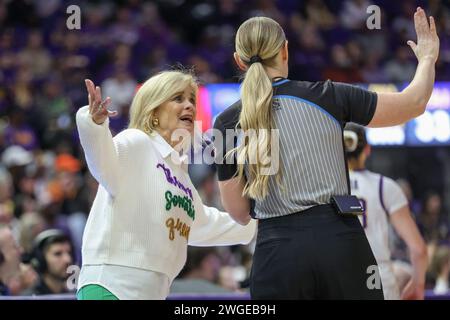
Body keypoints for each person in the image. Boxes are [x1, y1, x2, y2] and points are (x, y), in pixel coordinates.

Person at [213, 8, 439, 299]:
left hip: (276, 254)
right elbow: (414, 102)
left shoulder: (227, 122)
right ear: (285, 51)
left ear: (239, 61)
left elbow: (239, 213)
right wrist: (428, 58)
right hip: (340, 243)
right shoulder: (328, 96)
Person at [76, 70, 256, 300]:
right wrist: (94, 123)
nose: (190, 105)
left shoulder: (180, 174)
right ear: (154, 112)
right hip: (111, 286)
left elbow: (202, 225)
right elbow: (102, 163)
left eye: (192, 99)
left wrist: (265, 221)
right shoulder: (136, 141)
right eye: (178, 99)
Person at [344, 124, 428, 300]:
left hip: (338, 277)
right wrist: (418, 283)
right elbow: (418, 249)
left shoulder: (326, 189)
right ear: (367, 149)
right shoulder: (384, 186)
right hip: (377, 276)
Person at [27, 229, 74, 295]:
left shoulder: (74, 294)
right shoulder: (30, 297)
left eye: (69, 253)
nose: (68, 259)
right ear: (41, 260)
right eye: (58, 254)